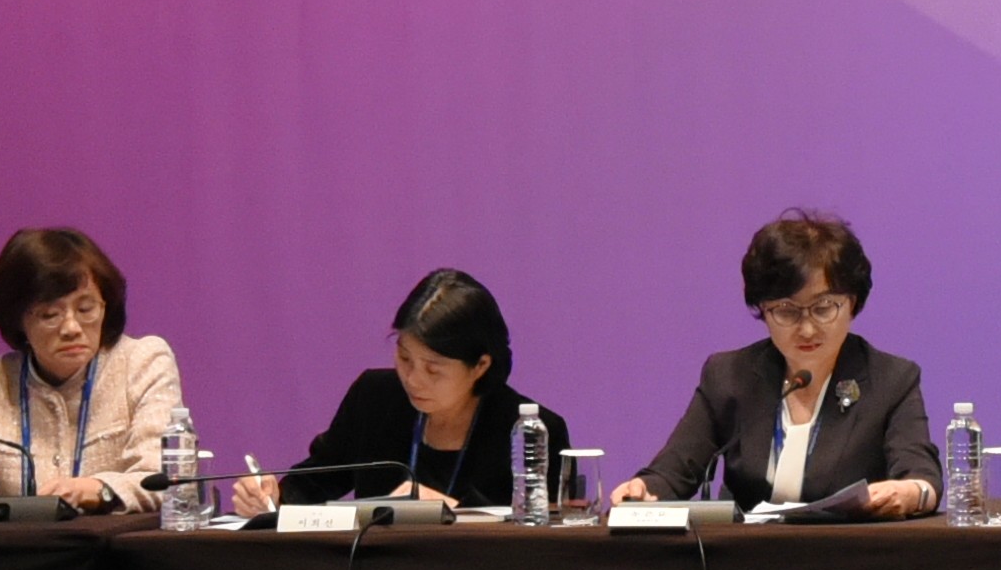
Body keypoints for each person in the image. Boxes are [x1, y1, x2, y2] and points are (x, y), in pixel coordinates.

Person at [616, 210, 936, 516]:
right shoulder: (729, 376)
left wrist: (912, 492)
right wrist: (642, 491)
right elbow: (671, 474)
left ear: (852, 304)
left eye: (823, 307)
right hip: (746, 551)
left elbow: (922, 476)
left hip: (844, 550)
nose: (807, 328)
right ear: (763, 310)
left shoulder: (891, 380)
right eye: (786, 310)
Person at [0, 227, 191, 510]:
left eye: (85, 309)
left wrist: (100, 489)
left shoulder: (141, 363)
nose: (71, 328)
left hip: (117, 538)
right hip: (27, 540)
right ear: (18, 319)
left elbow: (168, 479)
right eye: (50, 315)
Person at [252, 268, 570, 512]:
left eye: (433, 369)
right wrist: (271, 497)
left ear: (480, 365)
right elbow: (313, 484)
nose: (413, 379)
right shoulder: (374, 398)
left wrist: (455, 513)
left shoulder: (533, 430)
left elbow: (543, 540)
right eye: (404, 358)